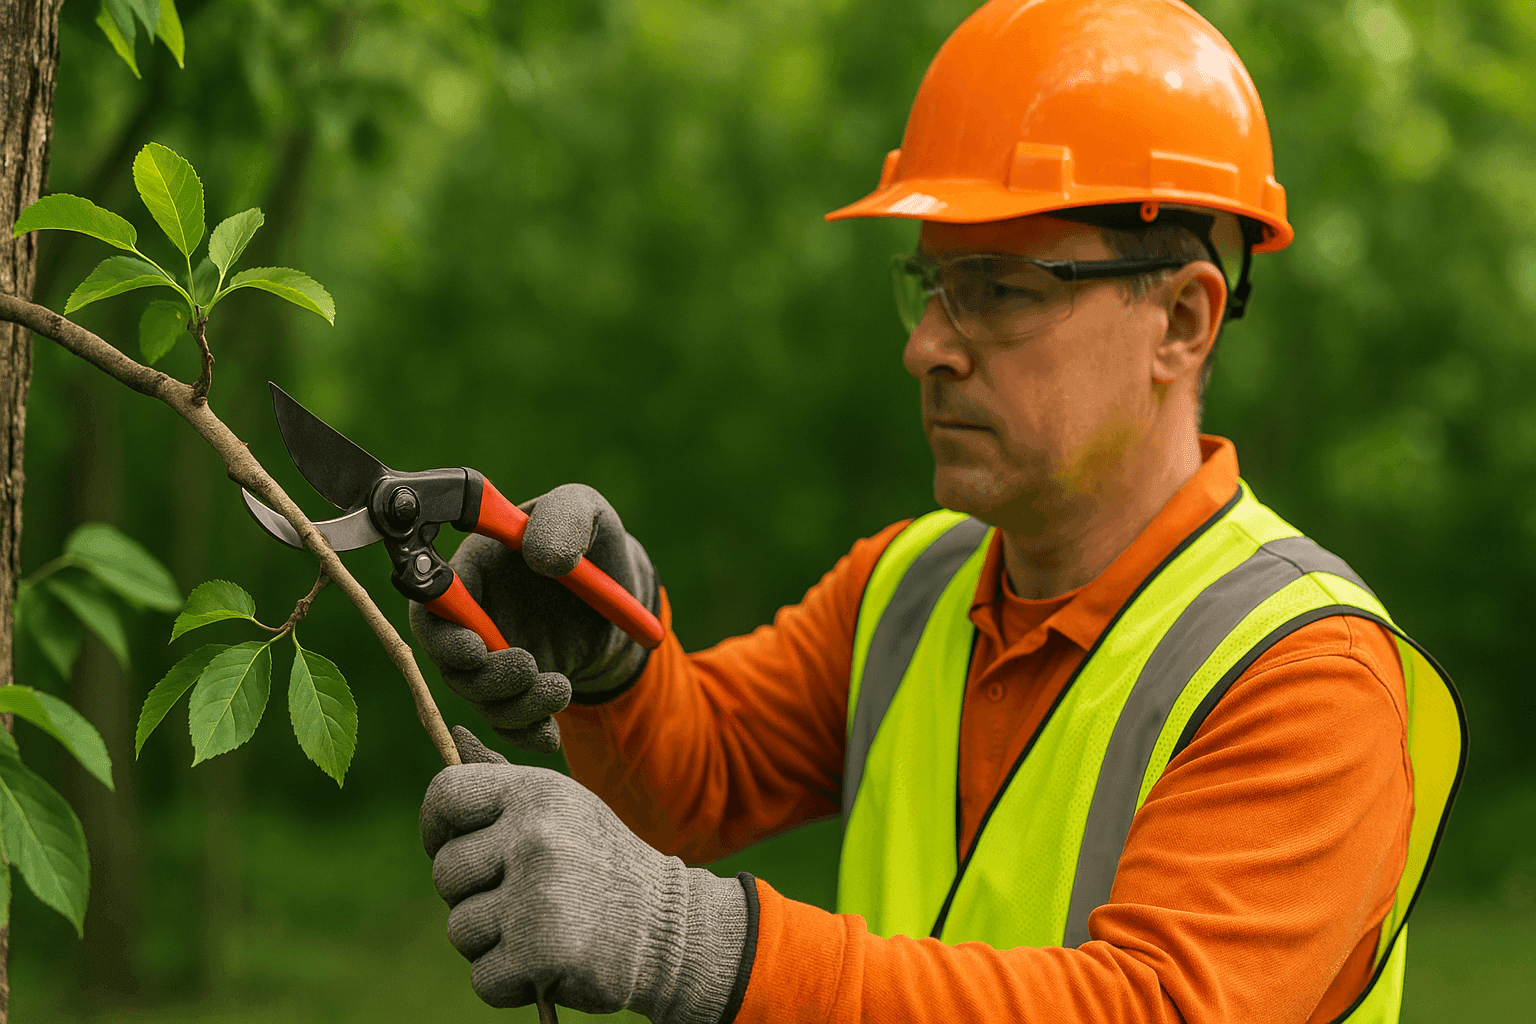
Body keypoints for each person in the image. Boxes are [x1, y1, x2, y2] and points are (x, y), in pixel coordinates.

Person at [411, 1, 1465, 1022]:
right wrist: (613, 663)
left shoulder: (1306, 672)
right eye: (931, 286)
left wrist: (694, 943)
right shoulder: (910, 586)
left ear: (1181, 320)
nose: (928, 346)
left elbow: (1151, 1007)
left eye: (1001, 289)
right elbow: (700, 777)